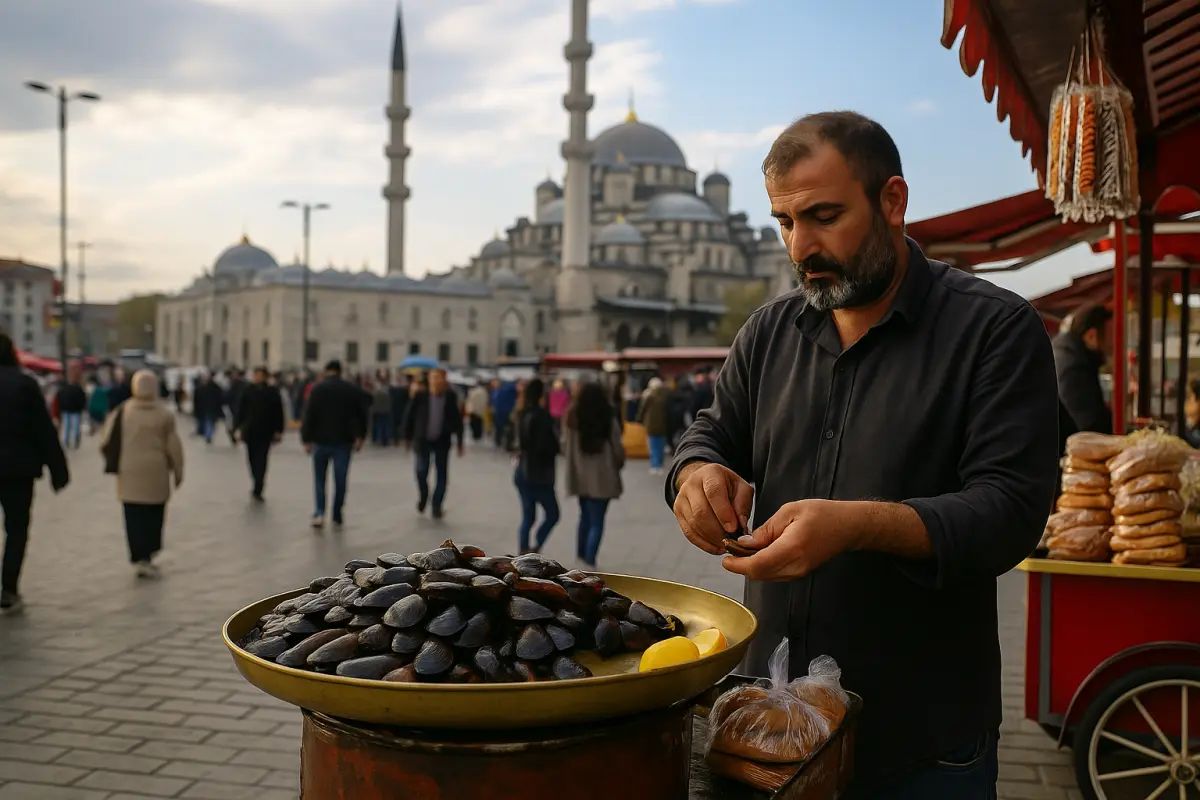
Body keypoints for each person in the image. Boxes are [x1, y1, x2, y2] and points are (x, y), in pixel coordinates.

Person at [667, 111, 1058, 798]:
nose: (802, 246)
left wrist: (859, 525)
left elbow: (1010, 511)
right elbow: (708, 433)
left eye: (823, 216)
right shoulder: (769, 333)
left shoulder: (993, 331)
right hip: (770, 729)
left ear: (893, 201)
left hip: (922, 743)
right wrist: (696, 475)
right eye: (785, 223)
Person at [0, 333, 69, 614]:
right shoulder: (25, 384)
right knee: (16, 529)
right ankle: (8, 589)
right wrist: (58, 469)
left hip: (18, 466)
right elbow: (43, 430)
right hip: (18, 469)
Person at [101, 370, 184, 579]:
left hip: (128, 471)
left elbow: (105, 440)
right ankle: (149, 552)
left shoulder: (123, 410)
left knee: (132, 515)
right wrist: (178, 471)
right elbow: (174, 446)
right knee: (154, 514)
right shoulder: (164, 414)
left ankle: (137, 556)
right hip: (156, 471)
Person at [563, 381, 625, 568]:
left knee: (584, 517)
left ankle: (580, 556)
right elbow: (617, 448)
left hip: (580, 476)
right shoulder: (607, 415)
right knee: (597, 521)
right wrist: (619, 463)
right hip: (603, 476)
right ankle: (590, 560)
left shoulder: (573, 415)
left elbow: (565, 445)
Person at [301, 360, 367, 529]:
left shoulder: (318, 389)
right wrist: (360, 436)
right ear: (340, 371)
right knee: (340, 480)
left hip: (320, 440)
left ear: (326, 371)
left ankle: (320, 512)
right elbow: (361, 413)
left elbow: (309, 414)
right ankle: (337, 513)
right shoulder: (351, 389)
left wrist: (306, 438)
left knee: (319, 480)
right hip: (343, 441)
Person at [401, 367, 464, 520]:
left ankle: (437, 505)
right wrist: (406, 437)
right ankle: (424, 495)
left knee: (442, 473)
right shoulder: (420, 396)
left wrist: (460, 442)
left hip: (442, 440)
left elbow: (457, 419)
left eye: (439, 377)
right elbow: (409, 416)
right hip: (422, 439)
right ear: (429, 380)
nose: (436, 381)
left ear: (444, 380)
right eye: (433, 377)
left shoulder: (450, 397)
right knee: (421, 470)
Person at [513, 378, 560, 554]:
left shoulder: (522, 413)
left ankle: (523, 550)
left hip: (522, 472)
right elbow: (546, 446)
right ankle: (536, 545)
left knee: (528, 516)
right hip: (539, 474)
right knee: (553, 514)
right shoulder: (541, 416)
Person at [1052, 302, 1112, 434]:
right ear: (1091, 336)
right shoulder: (1074, 367)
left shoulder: (1071, 355)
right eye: (1110, 335)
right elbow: (1088, 427)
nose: (1112, 342)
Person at [233, 366, 285, 501]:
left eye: (260, 375)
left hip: (266, 431)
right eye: (255, 375)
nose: (257, 378)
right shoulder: (248, 391)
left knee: (262, 459)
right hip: (250, 431)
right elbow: (240, 411)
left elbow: (278, 412)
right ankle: (256, 479)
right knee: (251, 458)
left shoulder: (272, 392)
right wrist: (237, 428)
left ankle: (259, 484)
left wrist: (279, 430)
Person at [637, 377, 670, 474]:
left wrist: (639, 418)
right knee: (660, 445)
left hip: (651, 423)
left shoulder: (648, 395)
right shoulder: (665, 395)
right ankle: (659, 464)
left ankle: (654, 465)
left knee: (653, 445)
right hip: (663, 423)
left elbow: (643, 409)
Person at [55, 368, 88, 450]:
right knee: (76, 425)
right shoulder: (78, 389)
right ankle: (75, 439)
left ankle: (66, 441)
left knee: (66, 426)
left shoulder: (63, 390)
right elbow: (83, 398)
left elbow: (59, 399)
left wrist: (61, 408)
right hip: (76, 410)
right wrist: (82, 407)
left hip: (66, 410)